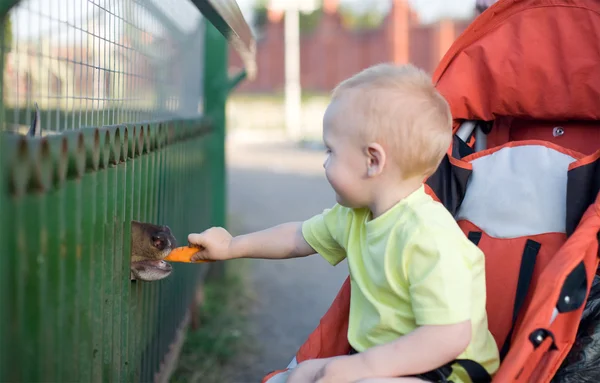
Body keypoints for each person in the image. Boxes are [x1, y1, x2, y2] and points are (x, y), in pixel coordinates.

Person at [187, 63, 499, 383]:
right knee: (298, 376)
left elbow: (448, 336)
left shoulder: (428, 236)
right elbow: (297, 238)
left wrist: (364, 367)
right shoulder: (354, 216)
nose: (324, 161)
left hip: (444, 371)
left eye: (331, 151)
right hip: (383, 361)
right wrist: (231, 246)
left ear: (372, 161)